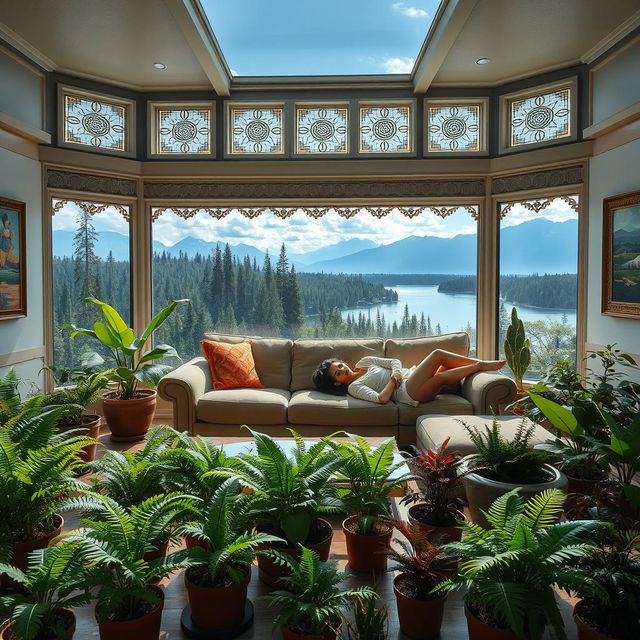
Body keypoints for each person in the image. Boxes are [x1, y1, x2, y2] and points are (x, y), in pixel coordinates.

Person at [312, 349, 506, 405]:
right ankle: (479, 364)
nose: (343, 369)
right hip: (408, 392)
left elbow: (393, 361)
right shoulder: (354, 388)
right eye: (338, 373)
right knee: (437, 355)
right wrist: (392, 381)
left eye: (340, 365)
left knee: (443, 366)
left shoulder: (364, 362)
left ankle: (476, 366)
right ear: (337, 382)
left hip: (409, 376)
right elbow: (381, 399)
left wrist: (396, 372)